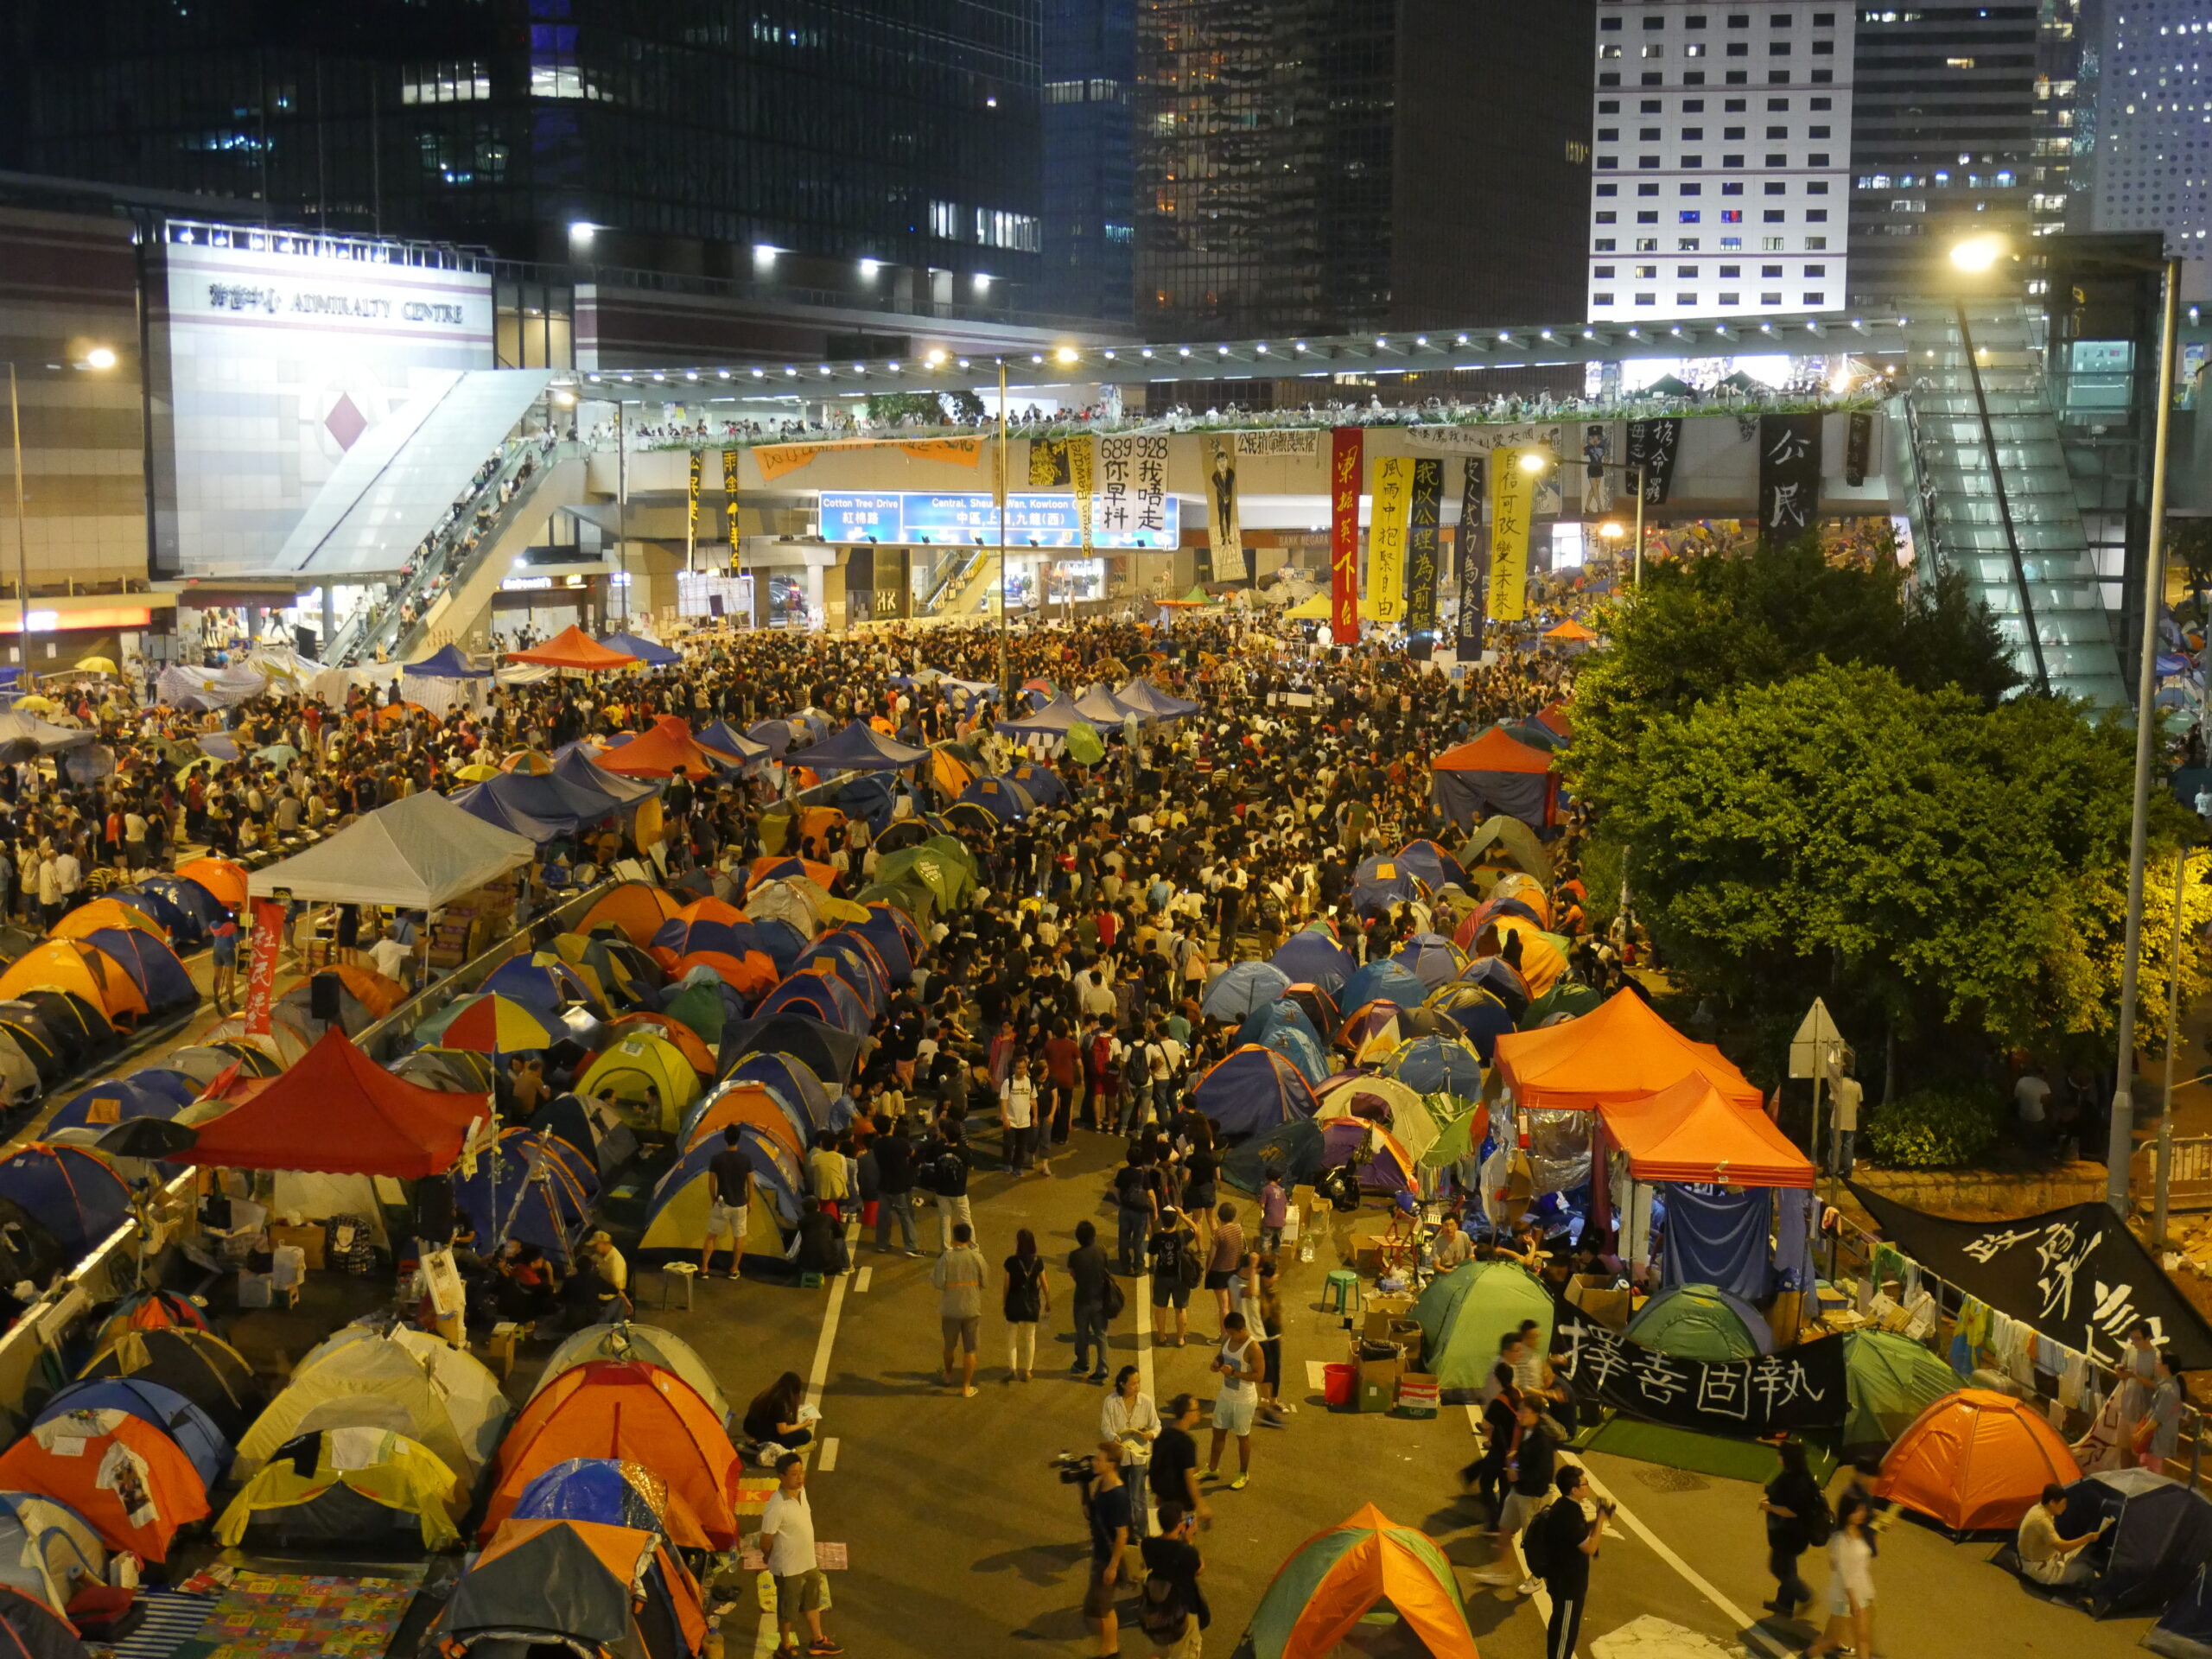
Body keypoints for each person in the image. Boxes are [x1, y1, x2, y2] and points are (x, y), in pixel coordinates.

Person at [759, 1452, 841, 1657]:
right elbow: (765, 1539)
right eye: (794, 1474)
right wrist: (769, 1557)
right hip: (788, 1567)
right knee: (788, 1608)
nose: (800, 1477)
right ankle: (784, 1646)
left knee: (812, 1601)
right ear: (781, 1477)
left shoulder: (801, 1492)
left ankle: (818, 1640)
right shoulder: (776, 1506)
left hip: (808, 1562)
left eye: (801, 1472)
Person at [1484, 1395, 1556, 1593]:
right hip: (1519, 1492)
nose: (1519, 1414)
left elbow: (1544, 1473)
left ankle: (1537, 1577)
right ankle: (1502, 1570)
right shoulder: (1526, 1431)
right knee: (1505, 1528)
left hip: (1533, 1497)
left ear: (1535, 1414)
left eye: (1524, 1411)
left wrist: (1518, 1474)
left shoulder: (1542, 1439)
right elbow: (1520, 1461)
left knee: (1533, 1541)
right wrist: (1514, 1465)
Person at [1535, 1465, 1605, 1659]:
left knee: (1559, 1626)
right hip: (1568, 1586)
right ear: (1574, 1489)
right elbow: (1589, 1547)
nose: (1587, 1486)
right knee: (1565, 1635)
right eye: (1584, 1483)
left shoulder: (1563, 1506)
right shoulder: (1569, 1514)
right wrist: (1600, 1520)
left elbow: (1576, 1535)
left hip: (1560, 1580)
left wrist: (1596, 1521)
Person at [1758, 1439, 1827, 1618]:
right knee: (1787, 1568)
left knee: (1778, 1568)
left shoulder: (1795, 1481)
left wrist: (1770, 1507)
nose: (1778, 1457)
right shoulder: (1800, 1475)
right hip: (1793, 1534)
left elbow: (1792, 1511)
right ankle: (1784, 1604)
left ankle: (1805, 1596)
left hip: (1790, 1534)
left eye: (1781, 1454)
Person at [1804, 1493, 1876, 1659]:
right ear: (1847, 1512)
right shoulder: (1841, 1540)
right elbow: (1843, 1572)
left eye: (1863, 1510)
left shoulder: (1859, 1533)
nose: (1862, 1514)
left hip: (1860, 1593)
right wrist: (1852, 1600)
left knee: (1860, 1639)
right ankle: (1809, 1654)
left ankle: (1811, 1653)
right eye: (1857, 1511)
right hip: (1847, 1597)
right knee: (1839, 1640)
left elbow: (1866, 1556)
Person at [1082, 1441, 1134, 1659]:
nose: (1094, 1462)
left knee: (1104, 1608)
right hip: (1100, 1554)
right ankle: (1107, 1647)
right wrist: (1083, 1487)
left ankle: (1111, 1651)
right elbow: (1089, 1513)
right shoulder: (1102, 1484)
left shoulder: (1118, 1495)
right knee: (1094, 1608)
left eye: (1099, 1459)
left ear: (1111, 1464)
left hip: (1108, 1559)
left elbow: (1122, 1534)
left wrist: (1113, 1567)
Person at [1137, 1502, 1209, 1659]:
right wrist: (1189, 1540)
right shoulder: (1186, 1552)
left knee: (1158, 1652)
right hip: (1183, 1610)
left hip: (1156, 1606)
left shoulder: (1147, 1544)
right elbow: (1199, 1568)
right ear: (1180, 1525)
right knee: (1185, 1651)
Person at [1203, 1311, 1260, 1491]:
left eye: (1233, 1333)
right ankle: (1212, 1468)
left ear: (1242, 1329)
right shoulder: (1228, 1339)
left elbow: (1259, 1375)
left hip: (1244, 1400)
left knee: (1242, 1437)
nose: (1230, 1336)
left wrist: (1234, 1373)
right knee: (1218, 1432)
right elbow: (1221, 1355)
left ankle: (1243, 1473)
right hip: (1226, 1395)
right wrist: (1216, 1363)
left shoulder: (1253, 1348)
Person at [1103, 1365, 1161, 1535]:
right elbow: (1105, 1427)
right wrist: (1114, 1437)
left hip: (1139, 1458)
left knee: (1137, 1497)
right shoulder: (1111, 1402)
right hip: (1120, 1457)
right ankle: (1121, 1531)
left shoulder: (1146, 1402)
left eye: (1138, 1383)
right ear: (1122, 1384)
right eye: (1133, 1383)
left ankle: (1140, 1533)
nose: (1137, 1387)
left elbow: (1157, 1425)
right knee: (1120, 1496)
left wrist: (1150, 1434)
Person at [932, 1220, 987, 1397]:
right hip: (971, 1308)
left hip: (950, 1308)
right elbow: (984, 1281)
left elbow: (938, 1282)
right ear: (969, 1238)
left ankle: (948, 1375)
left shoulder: (946, 1258)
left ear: (954, 1238)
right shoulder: (977, 1257)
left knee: (949, 1346)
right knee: (970, 1349)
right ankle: (966, 1387)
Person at [2016, 1482, 2107, 1586]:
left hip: (2037, 1558)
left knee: (2081, 1553)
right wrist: (2087, 1538)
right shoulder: (2042, 1521)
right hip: (2038, 1568)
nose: (2065, 1507)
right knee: (2085, 1571)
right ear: (2052, 1502)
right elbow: (2062, 1547)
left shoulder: (2038, 1508)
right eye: (2063, 1504)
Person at [1150, 1393, 1210, 1529]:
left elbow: (1157, 1465)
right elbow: (1190, 1478)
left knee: (1170, 1532)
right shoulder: (1187, 1443)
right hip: (1184, 1505)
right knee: (1188, 1532)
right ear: (1187, 1413)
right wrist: (1201, 1504)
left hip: (1166, 1501)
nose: (1199, 1413)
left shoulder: (1164, 1435)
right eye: (1196, 1410)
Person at [704, 1124, 753, 1279]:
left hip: (721, 1203)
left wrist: (713, 1198)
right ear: (739, 1139)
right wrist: (750, 1201)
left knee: (711, 1235)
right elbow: (750, 1183)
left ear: (725, 1138)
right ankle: (734, 1268)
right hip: (740, 1204)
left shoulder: (716, 1159)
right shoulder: (746, 1159)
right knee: (739, 1237)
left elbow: (711, 1182)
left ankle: (704, 1267)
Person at [1069, 1218, 1113, 1382]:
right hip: (1100, 1298)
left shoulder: (1075, 1256)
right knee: (1101, 1333)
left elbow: (1073, 1274)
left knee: (1082, 1333)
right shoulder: (1101, 1251)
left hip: (1081, 1299)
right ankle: (1102, 1367)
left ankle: (1082, 1363)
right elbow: (1107, 1269)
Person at [1002, 1226, 1050, 1382]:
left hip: (1014, 1302)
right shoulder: (1038, 1261)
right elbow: (1044, 1283)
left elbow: (1006, 1285)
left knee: (1011, 1336)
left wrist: (1004, 1302)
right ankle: (1028, 1371)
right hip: (1032, 1303)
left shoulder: (1011, 1261)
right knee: (1030, 1337)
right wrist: (1048, 1300)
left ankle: (1012, 1369)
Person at [1148, 1205, 1196, 1349]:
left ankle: (1162, 1337)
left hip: (1162, 1276)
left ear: (1162, 1220)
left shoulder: (1157, 1237)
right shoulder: (1182, 1236)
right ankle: (1180, 1339)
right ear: (1176, 1220)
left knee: (1161, 1307)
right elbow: (1196, 1229)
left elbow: (1151, 1252)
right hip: (1180, 1277)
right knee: (1180, 1309)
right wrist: (1183, 1215)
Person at [743, 1371, 816, 1451]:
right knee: (805, 1435)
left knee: (793, 1425)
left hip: (751, 1430)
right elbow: (783, 1430)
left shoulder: (770, 1392)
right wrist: (803, 1424)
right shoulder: (779, 1403)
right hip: (758, 1438)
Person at [1202, 1202, 1243, 1338]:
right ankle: (1235, 1332)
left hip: (1219, 1272)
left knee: (1224, 1306)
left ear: (1219, 1216)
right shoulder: (1238, 1229)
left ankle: (1224, 1335)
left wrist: (1207, 1270)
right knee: (1232, 1304)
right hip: (1234, 1270)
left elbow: (1212, 1255)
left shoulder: (1218, 1233)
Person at [1000, 1053, 1039, 1176]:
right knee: (1008, 1144)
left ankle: (1017, 1167)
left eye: (1024, 1067)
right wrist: (1005, 1118)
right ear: (1014, 1069)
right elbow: (1004, 1101)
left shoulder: (1030, 1082)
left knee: (1021, 1147)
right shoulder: (1008, 1082)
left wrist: (1035, 1117)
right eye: (1019, 1068)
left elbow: (1034, 1101)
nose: (1022, 1070)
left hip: (1025, 1121)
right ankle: (1007, 1164)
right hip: (1011, 1120)